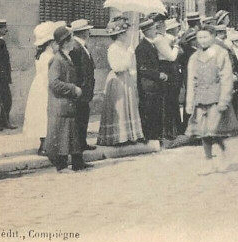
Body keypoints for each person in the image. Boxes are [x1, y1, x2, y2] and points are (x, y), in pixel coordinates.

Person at [185, 28, 238, 173]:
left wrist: (224, 99)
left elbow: (226, 77)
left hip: (216, 96)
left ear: (213, 37)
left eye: (205, 37)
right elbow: (191, 80)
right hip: (201, 97)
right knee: (203, 132)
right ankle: (208, 162)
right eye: (199, 37)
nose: (202, 40)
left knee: (214, 130)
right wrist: (189, 101)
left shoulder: (221, 53)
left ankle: (225, 153)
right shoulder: (194, 57)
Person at [45, 25, 88, 172]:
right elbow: (54, 83)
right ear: (65, 42)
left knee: (69, 135)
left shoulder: (67, 57)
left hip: (67, 105)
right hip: (60, 104)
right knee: (62, 136)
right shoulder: (57, 60)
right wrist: (73, 89)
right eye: (71, 38)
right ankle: (61, 165)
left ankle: (77, 164)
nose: (73, 41)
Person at [98, 18, 146, 146]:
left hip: (126, 79)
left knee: (128, 105)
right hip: (118, 80)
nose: (127, 35)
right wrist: (129, 54)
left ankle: (130, 135)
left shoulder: (123, 47)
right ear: (119, 34)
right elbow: (118, 67)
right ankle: (119, 137)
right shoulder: (113, 48)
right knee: (120, 106)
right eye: (125, 33)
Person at [23, 22, 56, 155]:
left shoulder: (44, 55)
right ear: (49, 43)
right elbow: (47, 75)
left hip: (40, 85)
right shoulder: (47, 57)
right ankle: (44, 145)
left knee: (44, 115)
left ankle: (46, 144)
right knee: (44, 115)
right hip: (44, 87)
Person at [136, 18, 168, 144]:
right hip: (148, 85)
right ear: (148, 31)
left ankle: (155, 135)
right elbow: (143, 69)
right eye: (154, 28)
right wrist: (158, 74)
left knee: (155, 109)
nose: (156, 30)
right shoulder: (142, 47)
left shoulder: (151, 44)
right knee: (148, 110)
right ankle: (149, 136)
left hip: (153, 84)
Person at [69, 19, 96, 151]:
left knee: (84, 116)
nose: (89, 32)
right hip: (81, 90)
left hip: (85, 89)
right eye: (87, 30)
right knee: (80, 117)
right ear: (83, 32)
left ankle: (82, 143)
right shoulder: (76, 47)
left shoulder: (81, 46)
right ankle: (79, 144)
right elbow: (76, 71)